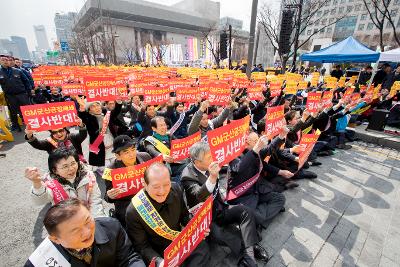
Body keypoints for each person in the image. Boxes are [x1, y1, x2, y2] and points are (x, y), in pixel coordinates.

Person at [181, 141, 269, 266]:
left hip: (220, 207)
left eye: (212, 155)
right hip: (206, 218)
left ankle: (249, 253)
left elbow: (238, 167)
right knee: (224, 236)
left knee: (245, 211)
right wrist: (212, 177)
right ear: (197, 162)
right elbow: (199, 194)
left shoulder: (209, 165)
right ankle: (250, 251)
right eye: (209, 158)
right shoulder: (187, 176)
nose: (213, 159)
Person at [125, 162, 211, 267]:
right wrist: (159, 262)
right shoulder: (134, 210)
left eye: (166, 184)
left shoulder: (176, 189)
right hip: (160, 253)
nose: (162, 191)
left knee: (202, 246)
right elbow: (142, 247)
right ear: (145, 184)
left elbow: (184, 216)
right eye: (156, 186)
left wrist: (197, 228)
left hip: (180, 242)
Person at [24, 198, 145, 267]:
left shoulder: (111, 226)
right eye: (75, 230)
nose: (87, 232)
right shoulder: (40, 262)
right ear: (55, 239)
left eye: (87, 221)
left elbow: (128, 257)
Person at [24, 147, 106, 218]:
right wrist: (37, 183)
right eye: (65, 166)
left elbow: (95, 201)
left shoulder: (88, 176)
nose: (71, 168)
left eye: (73, 163)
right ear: (54, 170)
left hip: (90, 217)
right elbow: (40, 200)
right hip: (67, 223)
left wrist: (96, 221)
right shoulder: (51, 184)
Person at [104, 135, 152, 227]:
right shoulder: (110, 171)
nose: (132, 154)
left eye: (133, 149)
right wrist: (110, 195)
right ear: (118, 156)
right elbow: (107, 196)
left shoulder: (145, 157)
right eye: (126, 152)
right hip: (127, 205)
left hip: (148, 198)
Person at [143, 116, 186, 181]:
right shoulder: (149, 141)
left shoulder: (169, 136)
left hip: (176, 162)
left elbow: (179, 145)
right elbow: (152, 151)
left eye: (164, 125)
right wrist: (161, 156)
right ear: (154, 128)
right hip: (163, 167)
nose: (164, 127)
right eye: (161, 125)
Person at [0, 55, 32, 131]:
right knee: (13, 111)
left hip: (22, 94)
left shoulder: (17, 71)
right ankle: (15, 126)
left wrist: (29, 92)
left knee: (27, 110)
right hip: (10, 95)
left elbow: (26, 81)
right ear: (0, 61)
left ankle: (31, 123)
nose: (5, 61)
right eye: (3, 60)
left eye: (7, 60)